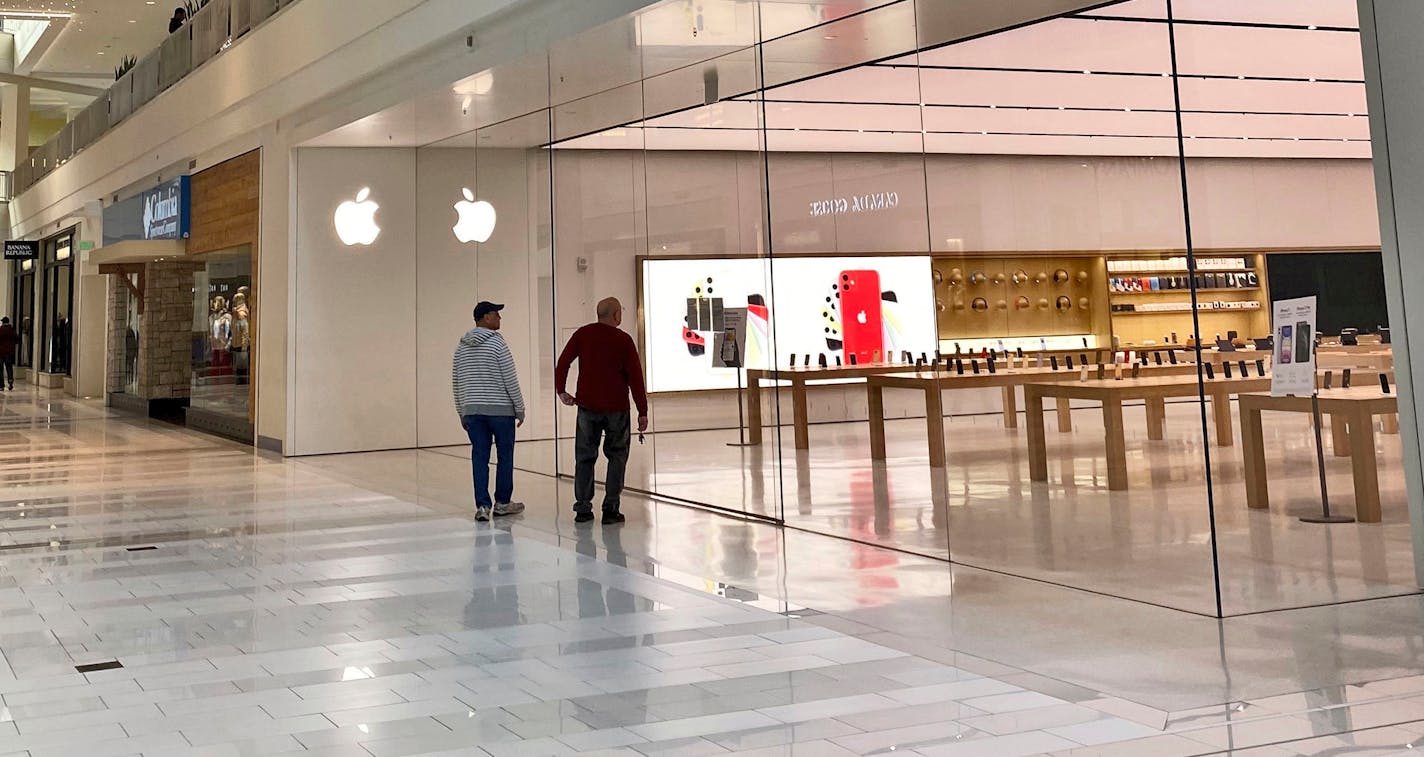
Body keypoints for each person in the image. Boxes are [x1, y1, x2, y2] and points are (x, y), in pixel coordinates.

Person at [555, 297, 649, 524]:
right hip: (617, 408)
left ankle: (583, 508)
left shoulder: (583, 334)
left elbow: (564, 361)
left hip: (587, 406)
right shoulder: (624, 340)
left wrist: (561, 390)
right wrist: (642, 410)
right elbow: (635, 377)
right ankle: (611, 508)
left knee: (585, 457)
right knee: (617, 457)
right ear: (616, 315)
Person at [452, 301, 526, 522]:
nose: (500, 318)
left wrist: (461, 411)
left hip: (473, 411)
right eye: (496, 314)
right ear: (485, 317)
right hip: (501, 412)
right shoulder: (497, 345)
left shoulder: (461, 348)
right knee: (505, 457)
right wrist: (519, 407)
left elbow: (456, 381)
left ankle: (482, 506)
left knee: (479, 457)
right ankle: (502, 503)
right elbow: (510, 378)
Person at [0, 317, 16, 391]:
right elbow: (16, 339)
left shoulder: (1, 329)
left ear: (3, 322)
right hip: (9, 352)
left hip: (1, 352)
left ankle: (1, 386)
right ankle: (10, 382)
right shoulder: (12, 329)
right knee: (9, 367)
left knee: (0, 369)